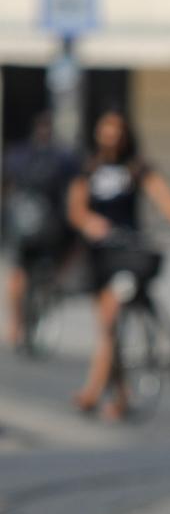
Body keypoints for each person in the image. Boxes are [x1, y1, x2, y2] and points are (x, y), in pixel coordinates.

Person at [68, 110, 170, 420]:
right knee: (107, 328)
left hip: (127, 252)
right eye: (106, 129)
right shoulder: (89, 167)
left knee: (110, 319)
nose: (111, 136)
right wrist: (89, 222)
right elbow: (76, 208)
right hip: (99, 253)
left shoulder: (136, 167)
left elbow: (163, 197)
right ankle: (122, 395)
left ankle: (93, 390)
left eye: (116, 130)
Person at [3, 112, 77, 349]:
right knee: (31, 271)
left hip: (23, 225)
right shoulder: (63, 157)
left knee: (18, 273)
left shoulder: (18, 155)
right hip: (51, 226)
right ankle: (54, 286)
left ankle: (16, 325)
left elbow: (7, 188)